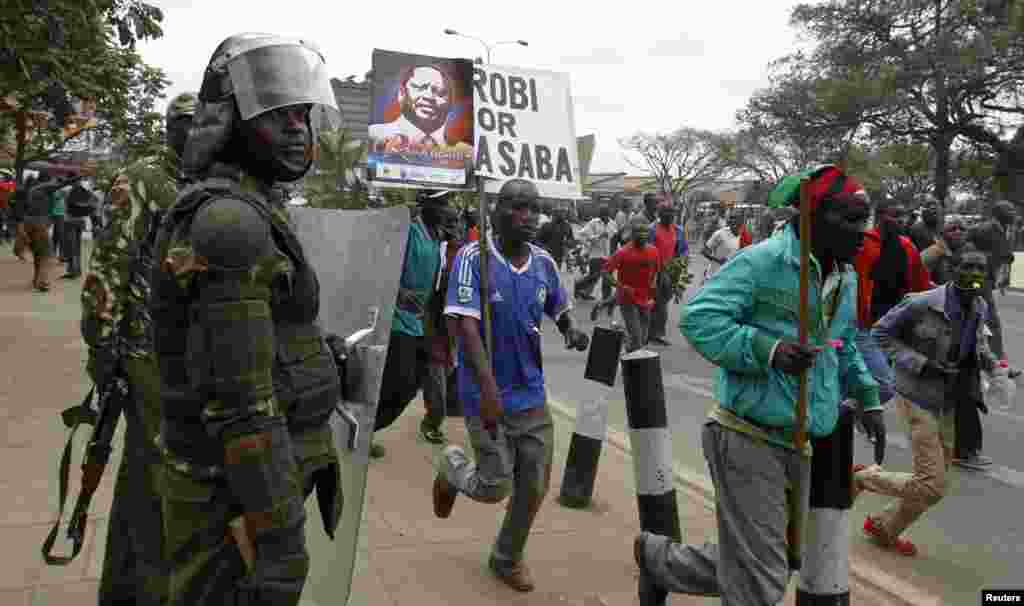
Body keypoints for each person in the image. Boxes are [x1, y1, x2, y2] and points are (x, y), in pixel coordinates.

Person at [149, 34, 344, 606]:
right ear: (229, 121)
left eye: (302, 113)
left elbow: (263, 335)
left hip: (245, 487)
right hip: (230, 497)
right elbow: (242, 406)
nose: (296, 128)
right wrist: (281, 540)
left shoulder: (253, 205)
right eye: (276, 114)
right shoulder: (231, 221)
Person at [635, 166, 882, 606]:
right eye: (851, 218)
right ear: (813, 216)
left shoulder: (844, 276)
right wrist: (769, 350)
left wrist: (867, 398)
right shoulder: (763, 259)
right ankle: (662, 561)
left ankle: (659, 561)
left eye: (865, 219)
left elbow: (840, 346)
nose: (862, 231)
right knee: (761, 581)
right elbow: (699, 317)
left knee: (775, 560)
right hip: (746, 434)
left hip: (803, 439)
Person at [433, 178, 589, 593]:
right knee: (494, 485)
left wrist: (572, 329)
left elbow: (560, 307)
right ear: (496, 211)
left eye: (533, 208)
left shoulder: (544, 263)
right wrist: (488, 393)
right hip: (484, 392)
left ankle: (506, 556)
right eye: (517, 208)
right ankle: (452, 467)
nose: (528, 217)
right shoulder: (472, 258)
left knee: (534, 485)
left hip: (531, 394)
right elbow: (466, 327)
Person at [81, 91, 196, 606]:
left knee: (144, 477)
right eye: (184, 123)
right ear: (168, 127)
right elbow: (109, 261)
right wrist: (102, 342)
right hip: (142, 350)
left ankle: (126, 588)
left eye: (201, 124)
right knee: (155, 480)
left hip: (181, 357)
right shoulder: (145, 178)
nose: (193, 132)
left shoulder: (199, 183)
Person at [856, 243, 995, 556]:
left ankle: (884, 528)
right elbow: (880, 334)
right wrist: (921, 363)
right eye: (967, 266)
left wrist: (995, 366)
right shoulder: (923, 302)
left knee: (936, 485)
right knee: (931, 482)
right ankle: (865, 478)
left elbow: (978, 348)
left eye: (980, 269)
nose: (973, 273)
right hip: (916, 396)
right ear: (953, 270)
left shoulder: (980, 307)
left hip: (949, 400)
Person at [371, 189, 449, 457]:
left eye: (446, 203)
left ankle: (370, 427)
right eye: (440, 204)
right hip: (397, 320)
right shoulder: (409, 232)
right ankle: (365, 431)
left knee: (412, 382)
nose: (446, 209)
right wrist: (401, 293)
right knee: (398, 382)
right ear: (425, 205)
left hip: (420, 322)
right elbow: (384, 267)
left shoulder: (438, 236)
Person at [851, 198, 931, 423]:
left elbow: (921, 284)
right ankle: (848, 410)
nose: (900, 220)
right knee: (885, 386)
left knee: (880, 381)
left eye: (903, 215)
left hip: (893, 329)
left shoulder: (907, 247)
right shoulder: (864, 243)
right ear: (879, 216)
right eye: (894, 215)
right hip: (864, 326)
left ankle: (851, 411)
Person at [420, 203, 463, 444]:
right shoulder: (433, 250)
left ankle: (436, 413)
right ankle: (432, 420)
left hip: (454, 330)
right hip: (432, 324)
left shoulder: (467, 252)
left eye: (456, 222)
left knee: (444, 376)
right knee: (437, 381)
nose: (453, 228)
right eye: (448, 223)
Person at [369, 65, 469, 152]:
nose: (429, 97)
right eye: (419, 87)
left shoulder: (466, 152)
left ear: (451, 103)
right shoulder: (373, 136)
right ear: (401, 93)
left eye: (441, 92)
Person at [601, 216, 660, 351]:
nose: (643, 235)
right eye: (639, 232)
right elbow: (605, 272)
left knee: (643, 338)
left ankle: (625, 338)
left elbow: (657, 271)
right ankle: (633, 365)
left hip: (646, 299)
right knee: (637, 339)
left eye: (645, 232)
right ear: (632, 235)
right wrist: (621, 287)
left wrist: (654, 286)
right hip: (627, 298)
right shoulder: (622, 252)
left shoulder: (653, 251)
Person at [649, 203, 688, 346]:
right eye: (666, 213)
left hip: (671, 271)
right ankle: (654, 333)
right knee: (657, 303)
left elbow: (683, 249)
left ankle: (654, 332)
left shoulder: (678, 230)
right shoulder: (652, 230)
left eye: (672, 213)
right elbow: (648, 250)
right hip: (654, 271)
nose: (669, 216)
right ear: (659, 214)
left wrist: (680, 264)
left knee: (663, 302)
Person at [574, 204, 615, 301]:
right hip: (596, 254)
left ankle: (605, 296)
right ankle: (579, 284)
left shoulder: (612, 223)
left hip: (608, 254)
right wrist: (597, 237)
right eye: (602, 214)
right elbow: (581, 234)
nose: (604, 216)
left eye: (605, 214)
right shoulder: (593, 223)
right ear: (600, 214)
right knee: (594, 276)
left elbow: (614, 238)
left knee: (604, 276)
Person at [921, 218, 967, 285]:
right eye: (952, 229)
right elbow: (919, 281)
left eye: (962, 229)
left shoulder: (963, 252)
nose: (958, 232)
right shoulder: (932, 253)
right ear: (943, 234)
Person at [700, 214, 743, 282]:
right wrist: (718, 260)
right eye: (732, 222)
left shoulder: (741, 236)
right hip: (713, 275)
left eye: (737, 223)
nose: (734, 224)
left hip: (728, 277)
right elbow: (703, 251)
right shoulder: (720, 233)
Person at [537, 206, 575, 270]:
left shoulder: (567, 226)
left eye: (564, 213)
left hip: (559, 255)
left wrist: (569, 242)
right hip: (547, 255)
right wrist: (544, 248)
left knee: (555, 272)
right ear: (554, 214)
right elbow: (537, 240)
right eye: (560, 213)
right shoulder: (546, 225)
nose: (563, 214)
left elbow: (571, 239)